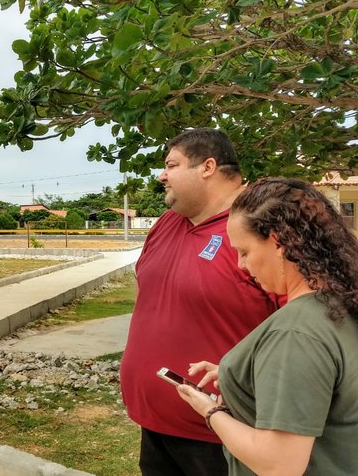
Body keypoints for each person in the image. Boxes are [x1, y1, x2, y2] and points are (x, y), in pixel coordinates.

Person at [119, 128, 279, 475]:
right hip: (156, 426)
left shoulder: (262, 226)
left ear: (207, 166)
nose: (162, 175)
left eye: (171, 165)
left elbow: (300, 325)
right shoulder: (165, 224)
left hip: (223, 434)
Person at [177, 178, 358, 475]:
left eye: (244, 251)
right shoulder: (340, 305)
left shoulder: (294, 334)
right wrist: (243, 376)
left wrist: (209, 411)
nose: (240, 265)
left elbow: (280, 465)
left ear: (277, 243)